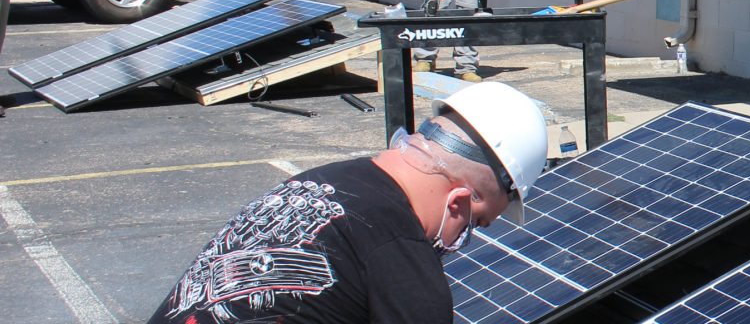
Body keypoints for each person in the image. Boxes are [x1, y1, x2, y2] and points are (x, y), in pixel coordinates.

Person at [147, 81, 550, 323]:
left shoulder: (320, 182)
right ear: (459, 202)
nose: (463, 239)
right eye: (475, 225)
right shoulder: (404, 269)